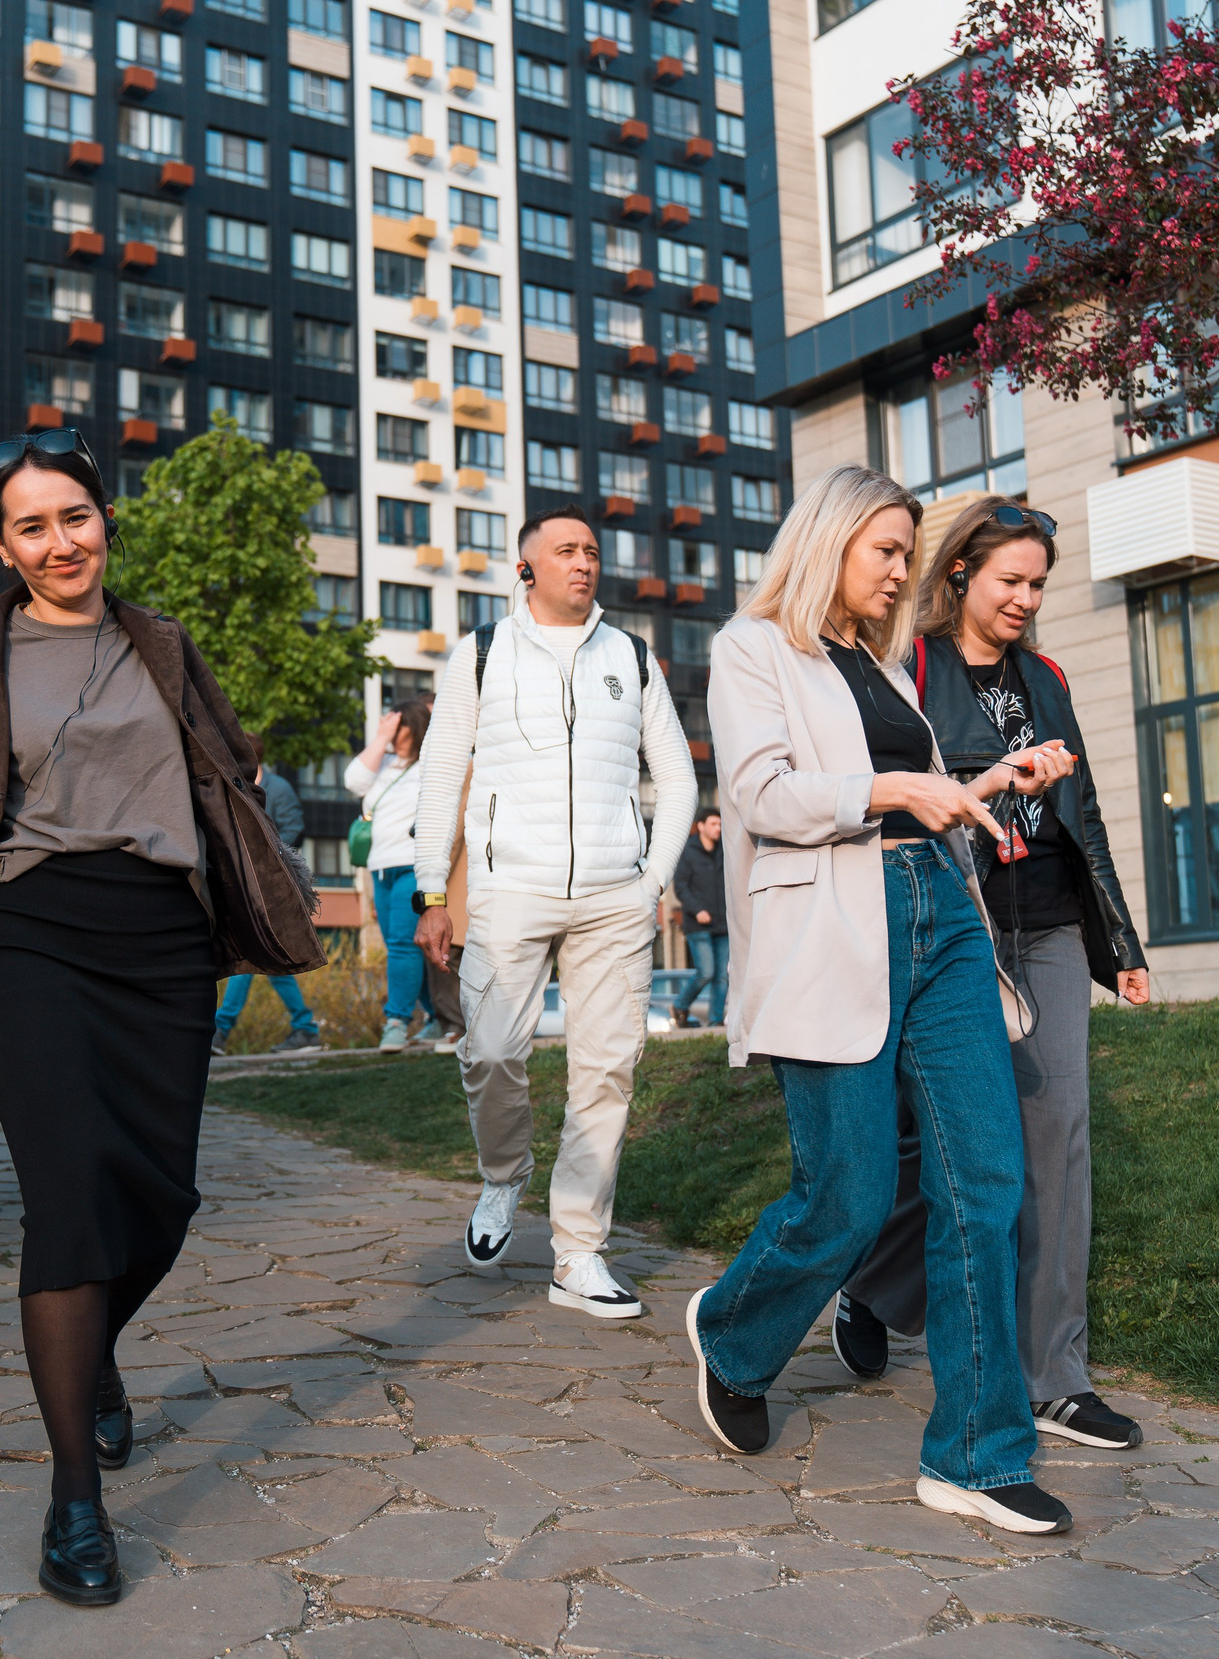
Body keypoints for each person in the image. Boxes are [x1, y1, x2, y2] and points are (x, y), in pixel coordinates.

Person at [0, 427, 314, 1609]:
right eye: (32, 526)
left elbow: (225, 762)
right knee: (66, 1200)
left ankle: (93, 1357)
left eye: (76, 516)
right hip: (27, 934)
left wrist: (240, 789)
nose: (60, 542)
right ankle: (74, 1501)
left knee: (160, 1197)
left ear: (104, 519)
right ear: (2, 546)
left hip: (160, 936)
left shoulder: (161, 643)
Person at [682, 463, 1080, 1535]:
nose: (904, 571)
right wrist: (895, 788)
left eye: (907, 552)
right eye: (888, 550)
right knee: (849, 1195)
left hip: (940, 918)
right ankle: (732, 1334)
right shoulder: (753, 650)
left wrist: (978, 786)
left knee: (983, 1186)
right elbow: (761, 794)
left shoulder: (879, 669)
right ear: (829, 541)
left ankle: (976, 1455)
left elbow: (917, 797)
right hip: (832, 930)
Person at [832, 497, 1152, 1449]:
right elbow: (888, 803)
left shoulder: (1046, 676)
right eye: (1009, 579)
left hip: (1047, 923)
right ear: (961, 574)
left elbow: (1083, 815)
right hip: (953, 923)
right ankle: (873, 1279)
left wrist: (1121, 949)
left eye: (1039, 583)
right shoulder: (910, 671)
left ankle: (1054, 1374)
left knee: (1056, 1142)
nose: (1026, 598)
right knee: (950, 1147)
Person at [410, 507, 696, 1318]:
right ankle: (504, 1176)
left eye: (593, 552)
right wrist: (433, 893)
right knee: (493, 1049)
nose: (585, 563)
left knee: (605, 1070)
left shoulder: (632, 656)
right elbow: (440, 776)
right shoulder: (483, 653)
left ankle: (579, 1250)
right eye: (566, 550)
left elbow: (675, 779)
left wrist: (650, 883)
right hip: (510, 889)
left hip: (615, 895)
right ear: (526, 567)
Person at [214, 738, 324, 1055]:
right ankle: (304, 1027)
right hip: (245, 887)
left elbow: (295, 828)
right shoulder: (235, 788)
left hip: (274, 886)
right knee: (273, 962)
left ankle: (221, 1030)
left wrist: (267, 854)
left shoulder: (279, 788)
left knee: (249, 955)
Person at [346, 700, 442, 1052]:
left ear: (412, 727)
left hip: (412, 864)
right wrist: (382, 737)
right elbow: (352, 781)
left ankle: (397, 1022)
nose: (387, 728)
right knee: (401, 946)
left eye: (395, 724)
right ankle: (437, 1017)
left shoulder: (432, 761)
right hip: (379, 868)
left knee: (402, 945)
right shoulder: (383, 764)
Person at [668, 809, 728, 1028]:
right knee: (706, 972)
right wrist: (697, 910)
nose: (718, 829)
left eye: (720, 825)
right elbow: (681, 888)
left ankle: (715, 1020)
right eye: (713, 824)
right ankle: (681, 1004)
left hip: (723, 923)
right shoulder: (688, 852)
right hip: (698, 924)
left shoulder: (724, 850)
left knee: (722, 976)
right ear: (701, 826)